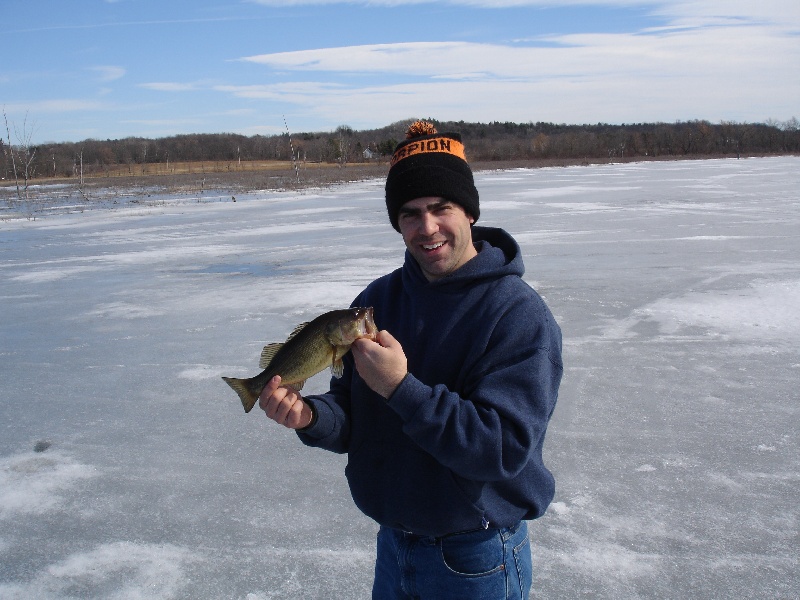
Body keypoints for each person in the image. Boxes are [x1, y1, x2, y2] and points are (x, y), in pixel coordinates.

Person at [259, 120, 563, 599]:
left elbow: (500, 450)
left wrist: (403, 388)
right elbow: (354, 418)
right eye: (410, 214)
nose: (427, 228)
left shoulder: (517, 316)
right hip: (394, 547)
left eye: (441, 208)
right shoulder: (378, 302)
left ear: (468, 211)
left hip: (475, 558)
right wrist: (312, 417)